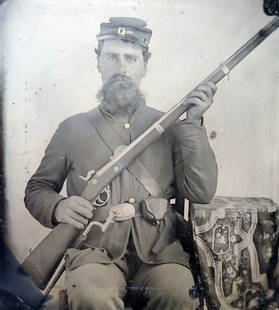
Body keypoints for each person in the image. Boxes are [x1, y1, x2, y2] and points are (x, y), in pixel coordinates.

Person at [25, 17, 218, 310]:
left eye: (130, 58)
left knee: (178, 293)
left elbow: (202, 192)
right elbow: (38, 188)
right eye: (112, 57)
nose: (121, 67)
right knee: (93, 297)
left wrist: (192, 124)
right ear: (98, 62)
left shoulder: (170, 126)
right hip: (94, 253)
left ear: (144, 65)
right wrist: (58, 206)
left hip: (159, 254)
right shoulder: (71, 128)